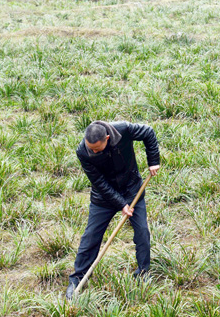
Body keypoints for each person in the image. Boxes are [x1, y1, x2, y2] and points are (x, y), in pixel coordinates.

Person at [67, 120, 160, 300]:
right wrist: (121, 204)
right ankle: (77, 279)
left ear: (107, 139)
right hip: (104, 197)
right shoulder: (83, 151)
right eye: (90, 148)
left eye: (97, 149)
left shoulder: (123, 130)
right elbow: (99, 183)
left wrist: (153, 160)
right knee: (91, 236)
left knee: (142, 232)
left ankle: (143, 273)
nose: (92, 152)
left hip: (132, 189)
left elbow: (148, 132)